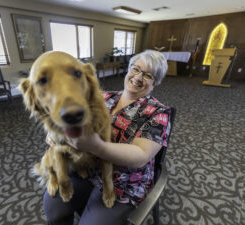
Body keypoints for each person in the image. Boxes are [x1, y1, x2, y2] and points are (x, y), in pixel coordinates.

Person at [43, 50, 172, 225]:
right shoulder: (103, 97)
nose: (138, 77)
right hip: (85, 168)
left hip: (122, 184)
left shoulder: (159, 113)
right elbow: (69, 114)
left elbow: (141, 155)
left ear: (155, 82)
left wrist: (96, 147)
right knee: (54, 209)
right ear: (128, 70)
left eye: (148, 75)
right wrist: (55, 131)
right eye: (135, 69)